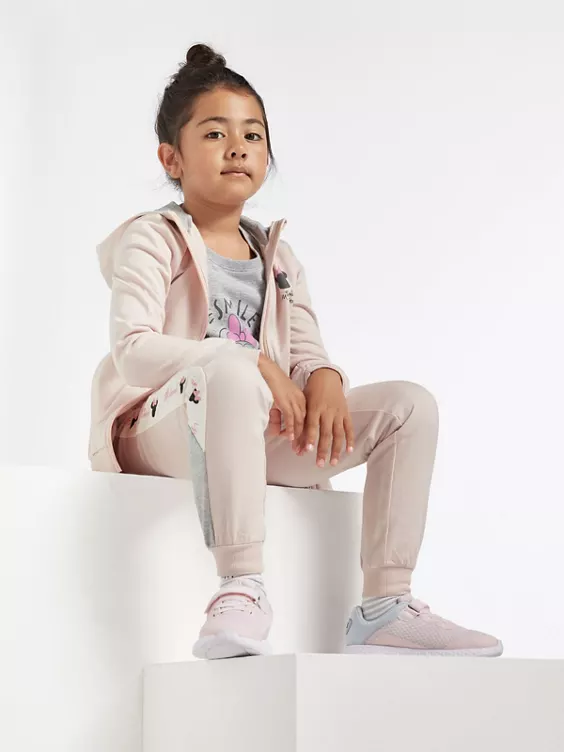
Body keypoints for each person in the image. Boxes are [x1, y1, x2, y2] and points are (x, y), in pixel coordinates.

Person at [89, 43, 503, 660]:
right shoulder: (153, 238)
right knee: (230, 369)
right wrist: (250, 361)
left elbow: (307, 353)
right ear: (171, 158)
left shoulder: (278, 256)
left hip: (249, 430)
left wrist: (326, 377)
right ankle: (240, 586)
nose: (237, 148)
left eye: (252, 135)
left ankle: (385, 607)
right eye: (215, 134)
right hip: (161, 429)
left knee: (410, 406)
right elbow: (133, 351)